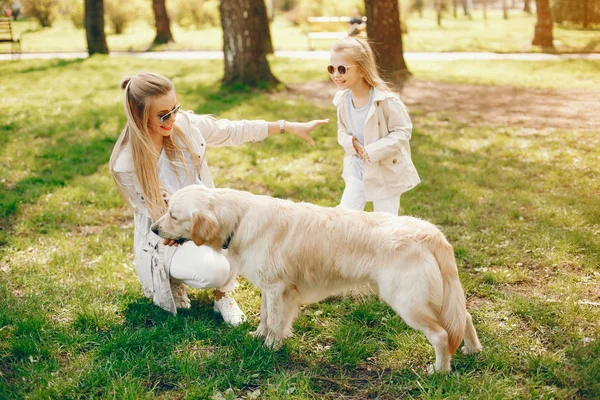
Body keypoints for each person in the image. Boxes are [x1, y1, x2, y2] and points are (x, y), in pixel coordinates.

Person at [109, 72, 328, 325]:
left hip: (207, 218)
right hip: (168, 233)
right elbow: (157, 216)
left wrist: (286, 126)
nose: (173, 119)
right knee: (213, 270)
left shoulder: (185, 126)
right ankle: (174, 278)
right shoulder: (125, 163)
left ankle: (223, 296)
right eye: (163, 115)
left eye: (175, 109)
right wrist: (179, 232)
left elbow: (231, 130)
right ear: (139, 116)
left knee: (240, 224)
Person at [328, 37, 420, 216]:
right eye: (331, 68)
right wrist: (350, 142)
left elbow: (402, 131)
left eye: (342, 69)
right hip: (357, 171)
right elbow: (342, 131)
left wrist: (373, 150)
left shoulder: (385, 101)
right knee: (344, 220)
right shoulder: (343, 101)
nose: (336, 74)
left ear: (362, 70)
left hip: (384, 173)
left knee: (386, 224)